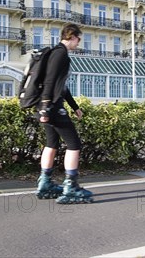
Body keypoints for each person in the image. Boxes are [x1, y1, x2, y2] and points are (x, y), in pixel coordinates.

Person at [35, 23, 93, 204]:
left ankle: (45, 183)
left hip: (47, 107)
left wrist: (75, 107)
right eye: (79, 39)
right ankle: (71, 187)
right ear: (73, 36)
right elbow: (50, 81)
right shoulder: (60, 54)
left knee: (51, 143)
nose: (79, 43)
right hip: (51, 108)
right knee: (74, 144)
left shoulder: (56, 53)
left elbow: (62, 87)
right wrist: (46, 106)